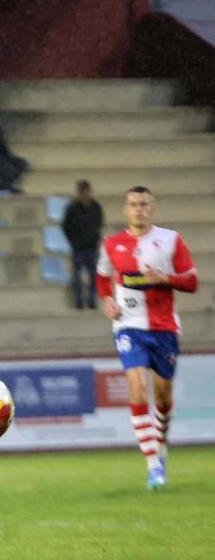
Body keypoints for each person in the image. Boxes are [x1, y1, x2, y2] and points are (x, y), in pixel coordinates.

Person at [96, 186, 198, 490]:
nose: (138, 209)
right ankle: (153, 464)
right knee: (137, 388)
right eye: (132, 204)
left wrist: (165, 279)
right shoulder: (112, 244)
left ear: (151, 209)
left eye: (143, 204)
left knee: (163, 396)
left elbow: (192, 281)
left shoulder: (170, 240)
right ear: (125, 209)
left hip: (164, 327)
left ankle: (160, 444)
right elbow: (103, 278)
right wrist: (107, 301)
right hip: (128, 327)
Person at [62, 180, 104, 310]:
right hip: (78, 248)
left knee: (93, 277)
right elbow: (66, 226)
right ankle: (79, 300)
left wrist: (95, 239)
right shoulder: (72, 208)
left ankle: (92, 300)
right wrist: (74, 240)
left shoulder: (95, 207)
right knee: (77, 276)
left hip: (92, 247)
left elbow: (99, 223)